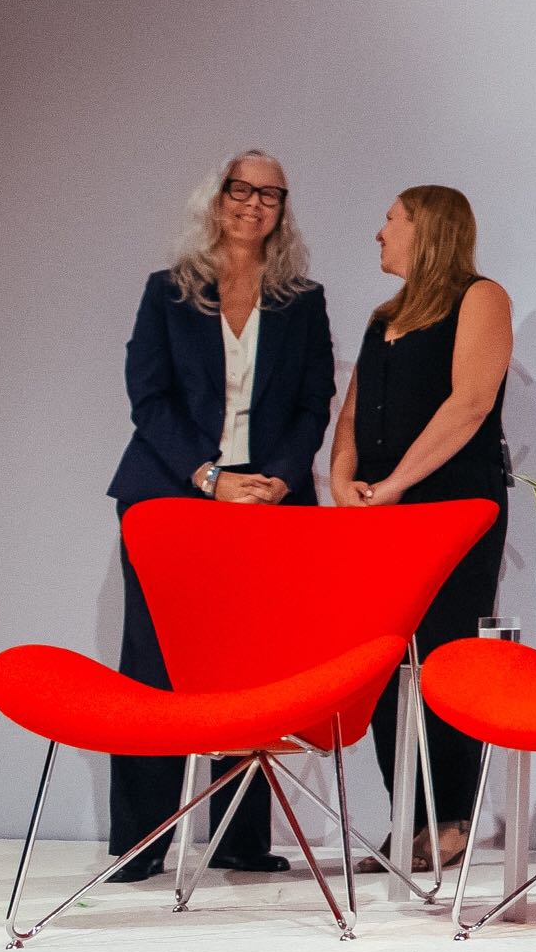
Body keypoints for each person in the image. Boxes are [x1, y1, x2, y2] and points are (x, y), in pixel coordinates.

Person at [108, 151, 336, 881]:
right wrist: (209, 478)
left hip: (266, 501)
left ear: (283, 210)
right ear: (218, 198)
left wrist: (280, 479)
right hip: (172, 496)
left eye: (271, 194)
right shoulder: (168, 291)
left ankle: (239, 838)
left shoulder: (303, 300)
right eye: (242, 189)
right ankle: (141, 841)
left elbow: (314, 401)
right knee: (155, 665)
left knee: (249, 669)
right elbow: (148, 398)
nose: (254, 204)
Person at [331, 184, 514, 874]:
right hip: (382, 509)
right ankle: (408, 818)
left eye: (391, 219)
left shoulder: (480, 298)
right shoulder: (383, 317)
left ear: (427, 227)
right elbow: (352, 414)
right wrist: (343, 480)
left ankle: (451, 820)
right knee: (385, 667)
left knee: (444, 656)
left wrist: (397, 483)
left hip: (450, 505)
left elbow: (471, 403)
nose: (379, 233)